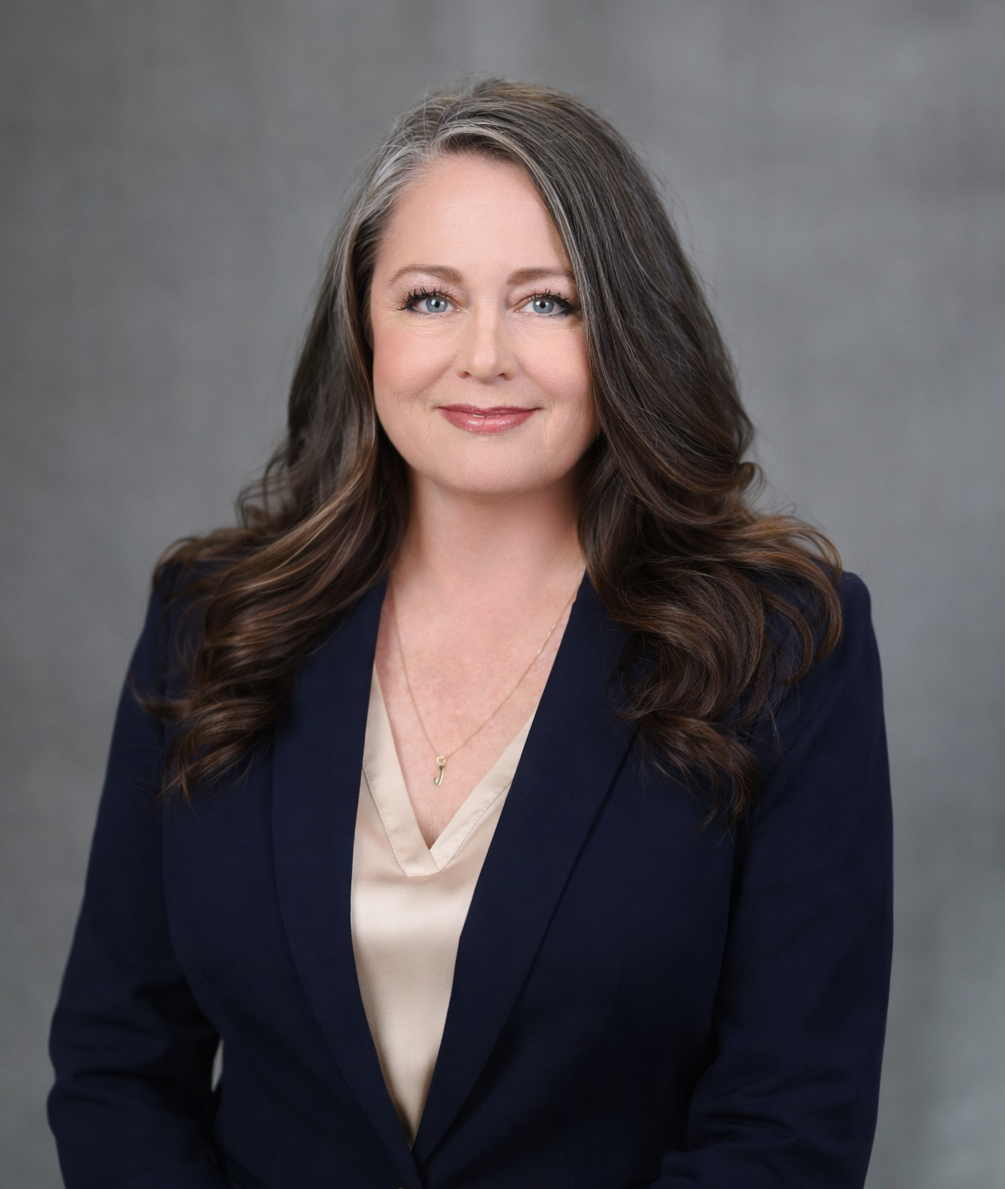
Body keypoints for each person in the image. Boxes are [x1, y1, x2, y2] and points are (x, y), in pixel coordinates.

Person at [48, 78, 892, 1189]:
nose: (483, 355)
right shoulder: (215, 622)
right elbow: (119, 1065)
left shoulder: (781, 648)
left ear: (625, 330)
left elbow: (791, 1124)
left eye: (548, 302)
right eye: (430, 299)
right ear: (364, 328)